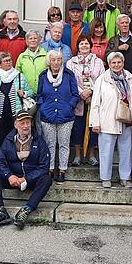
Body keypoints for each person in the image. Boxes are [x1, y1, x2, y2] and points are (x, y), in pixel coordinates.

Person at [0, 110, 52, 230]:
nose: (26, 126)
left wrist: (26, 178)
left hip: (30, 180)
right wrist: (9, 176)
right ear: (16, 125)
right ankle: (0, 211)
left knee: (46, 179)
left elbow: (44, 167)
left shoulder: (39, 140)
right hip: (14, 179)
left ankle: (26, 210)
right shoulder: (9, 140)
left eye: (28, 122)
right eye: (22, 123)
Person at [90, 52, 132, 188]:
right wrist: (95, 122)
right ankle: (105, 178)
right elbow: (95, 102)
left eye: (119, 62)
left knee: (126, 150)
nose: (116, 65)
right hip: (107, 120)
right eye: (113, 63)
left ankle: (125, 178)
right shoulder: (102, 79)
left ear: (123, 63)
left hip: (126, 120)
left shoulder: (129, 77)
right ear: (109, 64)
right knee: (106, 151)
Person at [36, 50, 80, 183]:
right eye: (53, 59)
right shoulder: (43, 76)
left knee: (64, 144)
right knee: (49, 144)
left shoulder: (69, 75)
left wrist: (69, 106)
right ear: (49, 61)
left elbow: (75, 94)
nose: (56, 62)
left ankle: (62, 170)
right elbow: (39, 95)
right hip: (48, 115)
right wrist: (43, 106)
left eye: (59, 59)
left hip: (65, 115)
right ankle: (49, 169)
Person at [0, 52, 33, 158]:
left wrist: (24, 93)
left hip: (15, 117)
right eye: (6, 61)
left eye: (10, 60)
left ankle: (14, 163)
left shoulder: (19, 76)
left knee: (14, 141)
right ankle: (0, 164)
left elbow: (30, 92)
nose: (9, 63)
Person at [66, 35, 105, 166]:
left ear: (90, 46)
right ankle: (77, 155)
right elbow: (70, 80)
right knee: (78, 127)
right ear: (78, 46)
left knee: (93, 127)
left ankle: (91, 155)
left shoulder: (98, 62)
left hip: (93, 100)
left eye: (87, 44)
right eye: (81, 44)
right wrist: (81, 93)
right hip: (78, 99)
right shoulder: (71, 62)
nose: (84, 46)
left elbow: (101, 79)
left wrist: (91, 91)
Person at [15, 30, 48, 94]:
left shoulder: (46, 55)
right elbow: (17, 76)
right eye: (30, 38)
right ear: (27, 41)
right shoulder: (22, 57)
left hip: (43, 92)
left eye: (35, 38)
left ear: (39, 40)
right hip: (26, 93)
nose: (33, 40)